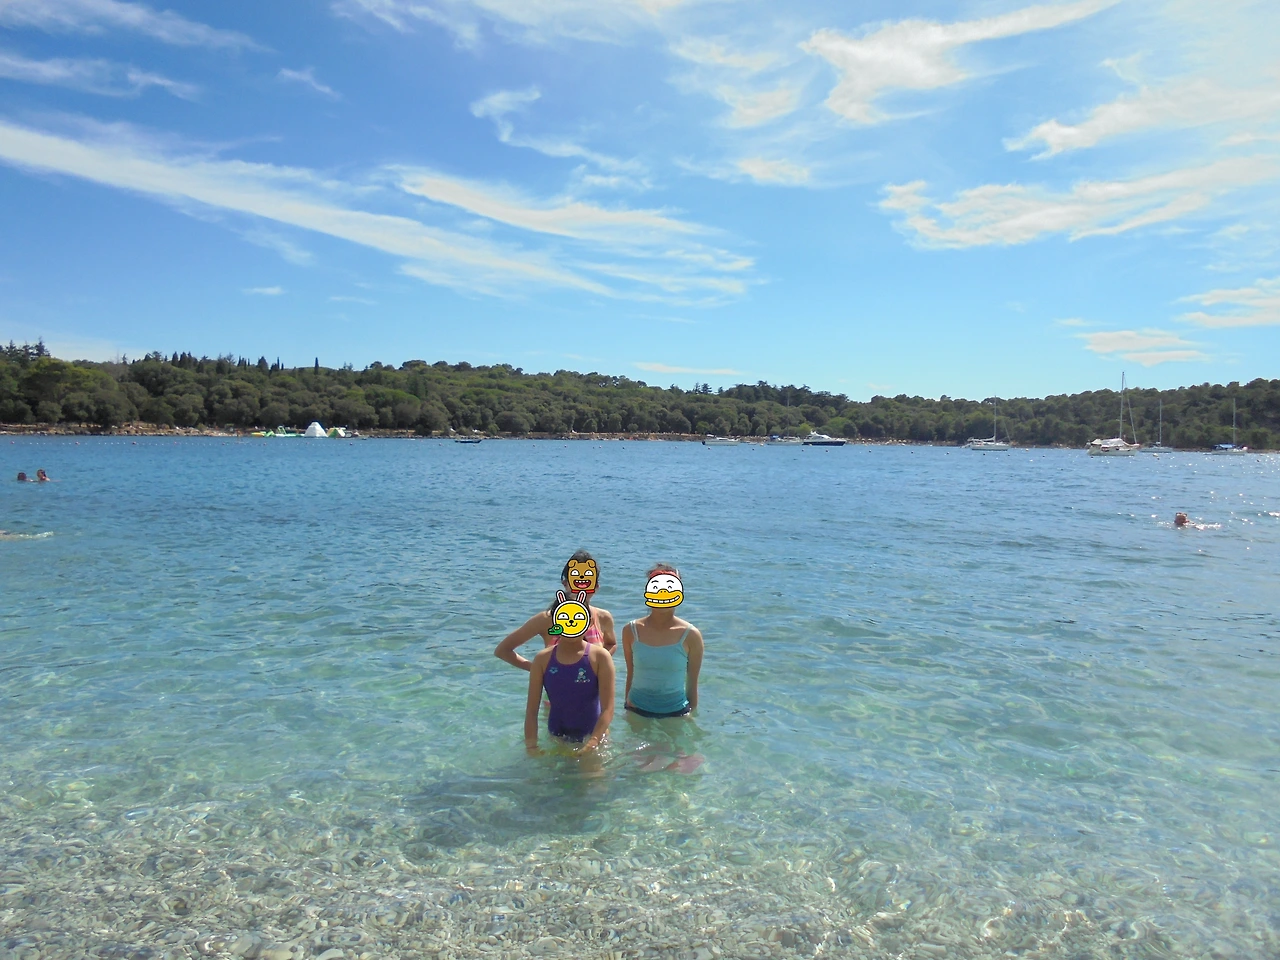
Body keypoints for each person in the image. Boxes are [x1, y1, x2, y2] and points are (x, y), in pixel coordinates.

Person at [495, 551, 616, 670]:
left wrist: (599, 664)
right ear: (565, 583)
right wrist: (540, 670)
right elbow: (503, 650)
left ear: (596, 587)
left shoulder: (603, 617)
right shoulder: (547, 619)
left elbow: (611, 644)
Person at [524, 597, 616, 755]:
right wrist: (531, 746)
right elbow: (531, 711)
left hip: (594, 737)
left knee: (592, 779)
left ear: (589, 622)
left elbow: (608, 708)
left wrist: (592, 743)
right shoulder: (542, 659)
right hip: (557, 737)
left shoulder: (599, 657)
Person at [622, 565, 703, 719]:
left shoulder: (691, 635)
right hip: (636, 709)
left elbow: (692, 685)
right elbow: (630, 674)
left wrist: (690, 717)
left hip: (676, 713)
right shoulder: (631, 631)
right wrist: (627, 706)